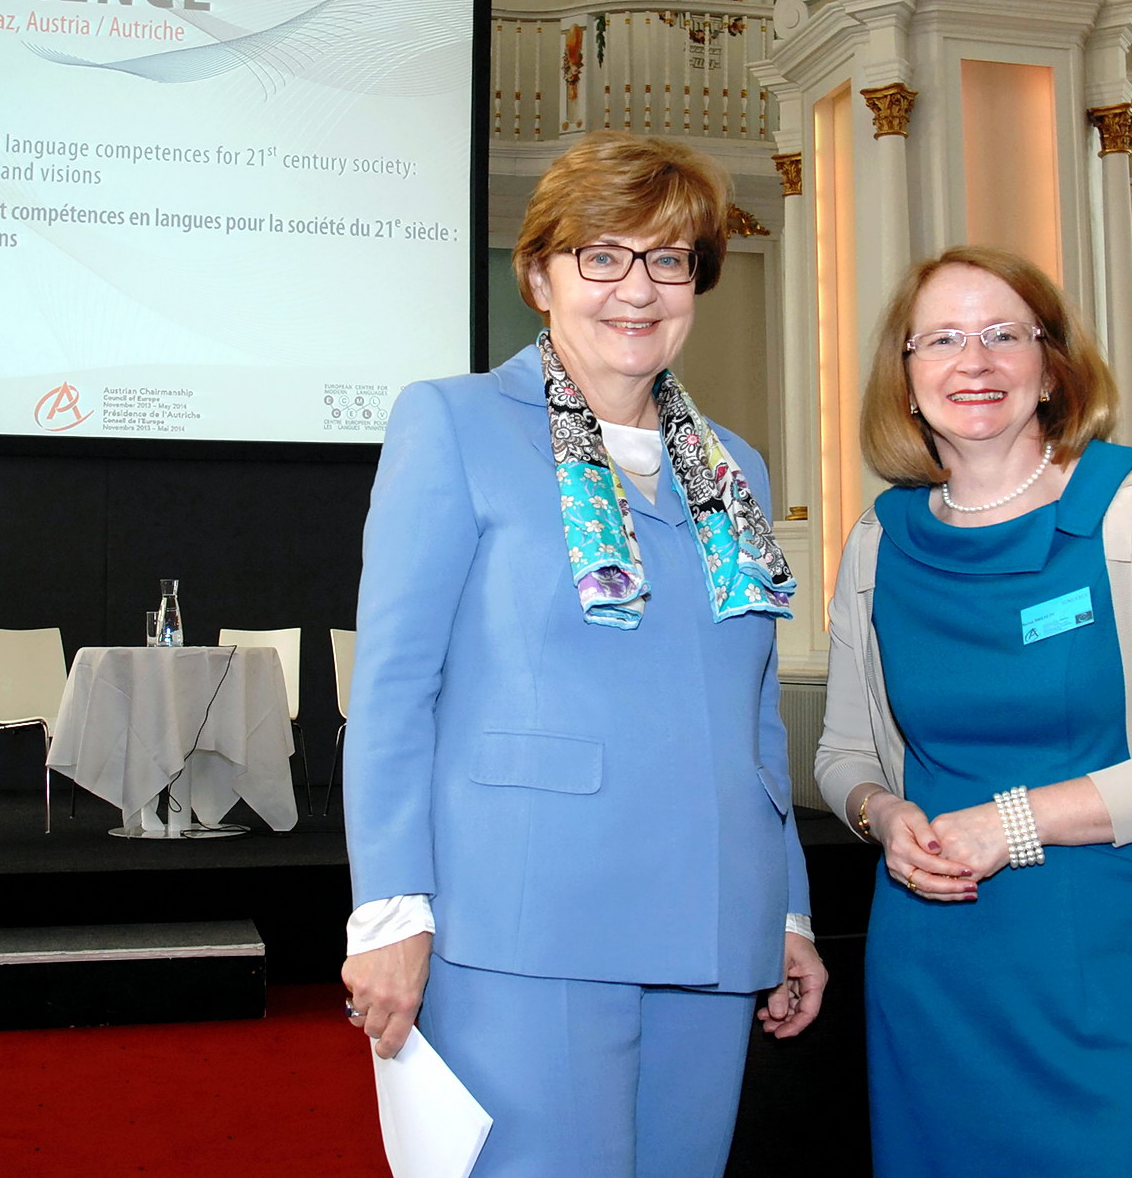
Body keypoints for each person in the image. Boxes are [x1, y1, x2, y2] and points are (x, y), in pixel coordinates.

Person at [343, 131, 828, 1178]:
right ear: (539, 276)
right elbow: (394, 686)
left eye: (669, 259)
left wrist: (784, 904)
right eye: (601, 255)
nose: (636, 288)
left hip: (714, 914)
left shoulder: (734, 466)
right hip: (529, 914)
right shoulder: (455, 423)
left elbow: (751, 710)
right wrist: (388, 906)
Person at [814, 245, 1132, 1176]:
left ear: (1051, 365)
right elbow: (842, 754)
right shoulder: (878, 541)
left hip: (1117, 959)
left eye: (1003, 335)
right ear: (905, 378)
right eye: (941, 339)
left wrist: (1012, 824)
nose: (973, 362)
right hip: (938, 961)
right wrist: (885, 815)